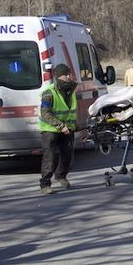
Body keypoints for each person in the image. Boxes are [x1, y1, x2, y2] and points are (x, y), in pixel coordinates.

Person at [37, 63, 79, 195]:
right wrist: (61, 126)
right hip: (50, 129)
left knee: (67, 155)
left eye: (68, 74)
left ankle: (61, 176)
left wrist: (74, 125)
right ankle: (45, 184)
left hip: (67, 129)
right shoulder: (49, 93)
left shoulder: (71, 90)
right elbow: (45, 113)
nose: (68, 77)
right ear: (58, 77)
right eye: (64, 75)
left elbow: (69, 111)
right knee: (50, 156)